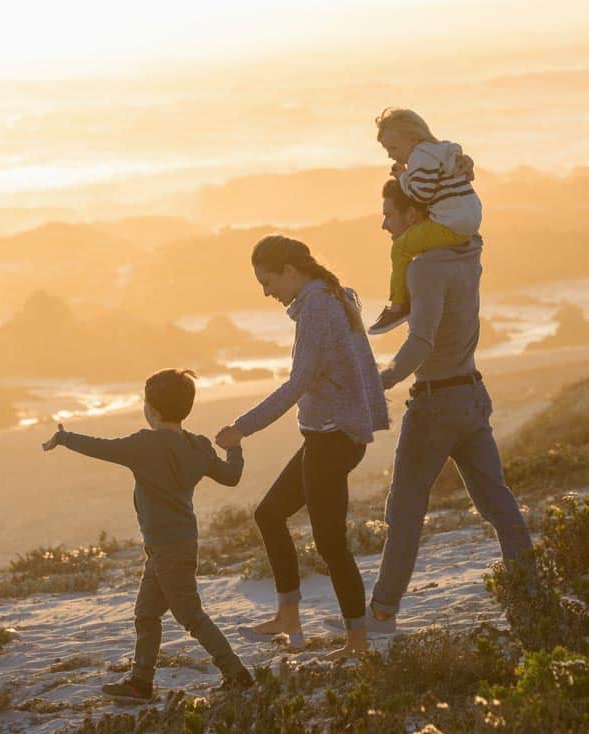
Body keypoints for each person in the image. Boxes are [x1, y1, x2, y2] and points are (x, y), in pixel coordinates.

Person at [331, 180, 533, 634]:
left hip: (436, 403)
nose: (383, 222)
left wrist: (381, 380)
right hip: (472, 396)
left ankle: (381, 613)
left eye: (389, 212)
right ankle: (530, 597)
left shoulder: (423, 268)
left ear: (415, 217)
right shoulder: (468, 254)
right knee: (499, 507)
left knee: (403, 510)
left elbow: (420, 340)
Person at [215, 235, 388, 660]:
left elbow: (297, 383)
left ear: (290, 271)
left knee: (330, 544)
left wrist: (242, 427)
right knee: (269, 514)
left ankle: (358, 643)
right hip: (333, 434)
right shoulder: (331, 296)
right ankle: (289, 618)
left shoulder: (318, 306)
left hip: (332, 437)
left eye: (267, 281)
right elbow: (358, 366)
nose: (266, 292)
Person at [42, 368, 254, 701]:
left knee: (190, 616)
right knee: (146, 613)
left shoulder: (144, 444)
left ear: (151, 410)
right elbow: (231, 477)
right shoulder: (198, 446)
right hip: (173, 545)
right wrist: (235, 448)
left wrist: (65, 438)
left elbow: (103, 448)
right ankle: (141, 683)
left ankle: (237, 674)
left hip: (168, 548)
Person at [368, 107, 482, 335]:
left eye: (393, 148)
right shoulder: (440, 151)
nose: (390, 155)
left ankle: (398, 306)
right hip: (470, 217)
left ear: (413, 138)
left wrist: (403, 178)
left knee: (400, 248)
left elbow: (423, 193)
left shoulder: (420, 156)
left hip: (452, 223)